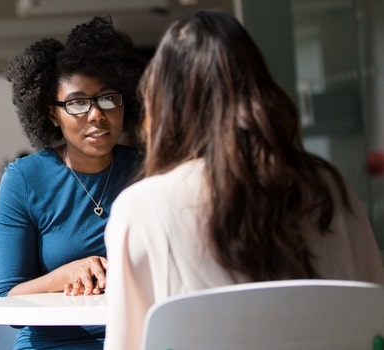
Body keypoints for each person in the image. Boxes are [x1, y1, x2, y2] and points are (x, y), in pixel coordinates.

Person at [103, 11, 384, 350]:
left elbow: (125, 344)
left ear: (165, 105)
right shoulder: (329, 188)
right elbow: (374, 318)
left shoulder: (142, 209)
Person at [0, 16, 145, 349]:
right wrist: (64, 275)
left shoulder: (146, 172)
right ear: (51, 114)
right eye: (77, 103)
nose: (96, 114)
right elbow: (6, 302)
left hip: (137, 338)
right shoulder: (25, 180)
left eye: (108, 98)